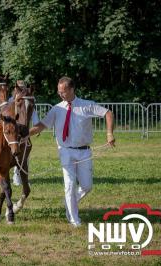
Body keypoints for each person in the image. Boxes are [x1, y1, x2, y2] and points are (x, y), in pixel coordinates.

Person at [29, 76, 115, 227]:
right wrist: (23, 134)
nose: (60, 94)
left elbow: (108, 113)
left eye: (63, 91)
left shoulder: (86, 105)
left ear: (72, 89)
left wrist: (109, 133)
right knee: (69, 185)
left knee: (87, 186)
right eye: (59, 91)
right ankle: (75, 220)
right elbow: (42, 125)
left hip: (84, 151)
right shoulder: (57, 109)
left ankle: (69, 201)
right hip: (65, 151)